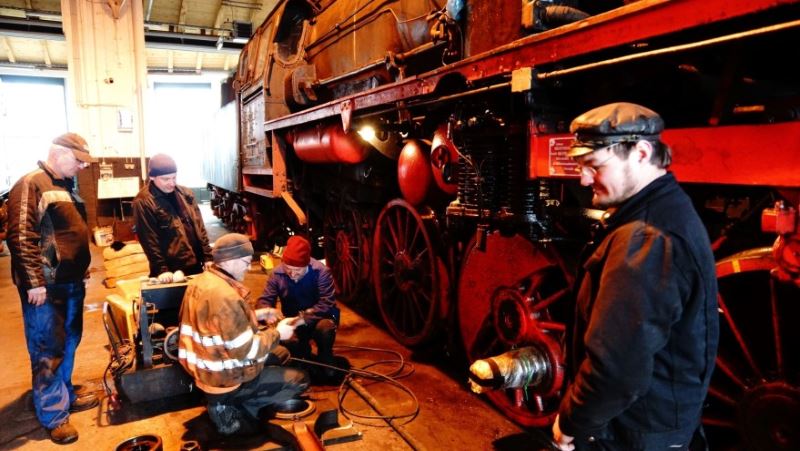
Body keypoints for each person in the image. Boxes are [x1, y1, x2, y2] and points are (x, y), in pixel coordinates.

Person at [552, 103, 719, 451]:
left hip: (631, 434)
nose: (584, 179)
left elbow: (616, 367)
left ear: (641, 153)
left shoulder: (646, 238)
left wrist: (572, 420)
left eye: (594, 166)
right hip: (650, 423)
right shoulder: (666, 210)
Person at [6, 133, 100, 444]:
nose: (83, 167)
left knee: (70, 341)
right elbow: (21, 236)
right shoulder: (31, 184)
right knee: (47, 349)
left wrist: (81, 269)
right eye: (78, 160)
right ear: (58, 153)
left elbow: (69, 235)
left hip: (71, 283)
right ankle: (53, 414)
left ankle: (65, 392)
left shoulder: (65, 186)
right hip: (45, 287)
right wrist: (34, 282)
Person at [178, 233, 309, 435]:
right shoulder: (225, 296)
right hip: (224, 380)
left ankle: (225, 401)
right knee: (300, 379)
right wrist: (278, 333)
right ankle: (230, 409)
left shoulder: (202, 281)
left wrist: (258, 314)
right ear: (230, 260)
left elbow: (218, 322)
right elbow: (246, 350)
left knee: (281, 354)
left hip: (204, 371)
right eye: (246, 262)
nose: (248, 268)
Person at [257, 235, 340, 381]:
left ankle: (325, 356)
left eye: (298, 271)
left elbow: (327, 303)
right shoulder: (277, 274)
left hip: (319, 318)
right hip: (292, 319)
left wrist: (302, 319)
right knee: (290, 345)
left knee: (326, 329)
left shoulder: (321, 272)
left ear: (307, 265)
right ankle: (302, 353)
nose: (292, 274)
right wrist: (266, 313)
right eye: (288, 269)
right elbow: (265, 299)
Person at [132, 153, 212, 283]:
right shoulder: (143, 202)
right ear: (152, 177)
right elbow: (149, 240)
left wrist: (208, 257)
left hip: (196, 264)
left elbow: (199, 227)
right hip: (170, 271)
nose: (172, 183)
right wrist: (162, 269)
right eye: (166, 179)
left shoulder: (186, 194)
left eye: (174, 177)